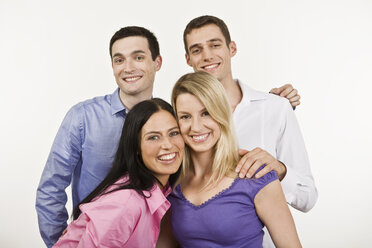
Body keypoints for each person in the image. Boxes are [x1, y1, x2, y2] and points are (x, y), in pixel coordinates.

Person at [36, 24, 301, 247]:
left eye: (138, 57)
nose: (195, 126)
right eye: (185, 117)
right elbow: (50, 189)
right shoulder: (167, 187)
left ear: (156, 62)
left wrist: (272, 104)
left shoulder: (252, 178)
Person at [180, 15, 317, 247]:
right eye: (197, 50)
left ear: (231, 48)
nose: (207, 56)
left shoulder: (275, 108)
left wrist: (279, 170)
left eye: (214, 45)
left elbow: (308, 197)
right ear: (188, 59)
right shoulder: (184, 119)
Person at [158, 71, 301, 248]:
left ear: (222, 114)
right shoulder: (172, 184)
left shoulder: (255, 175)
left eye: (206, 113)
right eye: (185, 117)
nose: (196, 127)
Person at [53, 98, 184, 247]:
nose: (167, 145)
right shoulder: (126, 202)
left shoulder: (160, 190)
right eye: (153, 137)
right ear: (136, 148)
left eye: (174, 133)